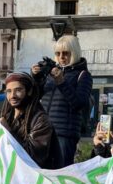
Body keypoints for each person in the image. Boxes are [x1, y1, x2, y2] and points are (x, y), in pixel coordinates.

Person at [31, 34, 92, 166]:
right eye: (58, 53)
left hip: (65, 133)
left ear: (74, 53)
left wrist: (61, 82)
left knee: (61, 172)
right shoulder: (51, 73)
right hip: (44, 130)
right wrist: (36, 78)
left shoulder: (83, 75)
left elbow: (79, 103)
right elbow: (36, 96)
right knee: (42, 171)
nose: (61, 57)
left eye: (65, 53)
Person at [0, 71, 60, 169]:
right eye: (9, 91)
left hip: (36, 180)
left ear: (29, 91)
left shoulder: (40, 120)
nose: (12, 96)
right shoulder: (6, 117)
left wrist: (8, 132)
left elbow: (33, 157)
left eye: (18, 90)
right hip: (12, 177)